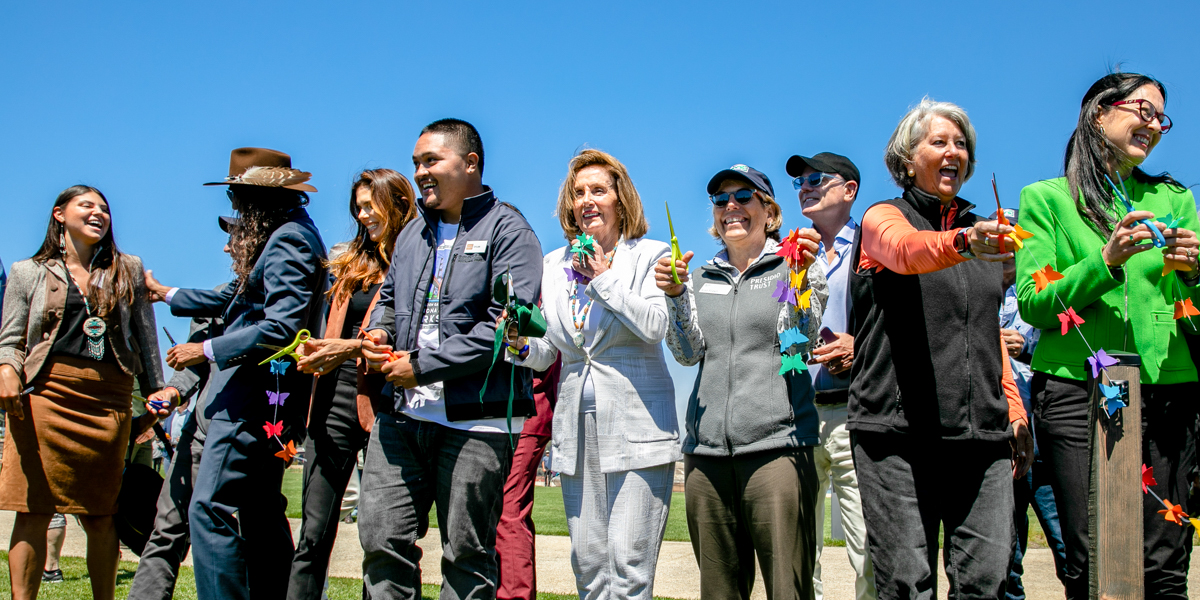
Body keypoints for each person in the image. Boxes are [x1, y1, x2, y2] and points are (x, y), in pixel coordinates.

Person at [1015, 72, 1199, 599]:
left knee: (1164, 557)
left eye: (1161, 118)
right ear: (1100, 113)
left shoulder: (1176, 198)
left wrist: (1196, 271)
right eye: (1143, 110)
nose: (1154, 125)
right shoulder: (1046, 199)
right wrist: (1105, 260)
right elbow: (1033, 301)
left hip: (1169, 386)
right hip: (1076, 390)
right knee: (1090, 555)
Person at [846, 98, 1032, 599]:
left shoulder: (984, 234)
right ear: (907, 158)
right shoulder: (883, 218)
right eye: (940, 142)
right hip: (896, 434)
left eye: (962, 144)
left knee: (986, 582)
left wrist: (1013, 407)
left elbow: (987, 330)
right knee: (908, 583)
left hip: (981, 437)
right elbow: (905, 253)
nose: (955, 151)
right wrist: (965, 242)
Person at [359, 119, 544, 599]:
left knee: (466, 556)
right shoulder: (410, 235)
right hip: (401, 416)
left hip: (476, 424)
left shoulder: (510, 231)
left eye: (431, 161)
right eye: (416, 162)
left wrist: (420, 365)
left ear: (470, 164)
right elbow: (388, 296)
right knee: (382, 541)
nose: (419, 172)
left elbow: (506, 328)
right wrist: (379, 329)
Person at [144, 147, 328, 600]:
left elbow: (283, 326)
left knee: (210, 510)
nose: (234, 209)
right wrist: (166, 294)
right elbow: (233, 295)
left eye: (238, 199)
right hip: (262, 397)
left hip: (251, 395)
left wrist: (203, 348)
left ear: (259, 198)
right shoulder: (286, 236)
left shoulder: (289, 239)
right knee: (259, 509)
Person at [503, 149, 682, 599]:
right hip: (576, 430)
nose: (587, 200)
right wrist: (520, 345)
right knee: (588, 565)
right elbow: (552, 351)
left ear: (620, 200)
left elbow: (656, 326)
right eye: (578, 192)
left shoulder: (649, 255)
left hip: (639, 426)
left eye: (598, 190)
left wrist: (603, 278)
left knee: (629, 567)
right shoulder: (552, 265)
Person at [655, 164, 827, 600]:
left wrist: (801, 278)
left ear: (769, 211)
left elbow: (801, 342)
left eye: (744, 196)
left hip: (778, 451)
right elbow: (687, 352)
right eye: (720, 199)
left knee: (788, 590)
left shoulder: (796, 263)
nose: (730, 206)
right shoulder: (698, 277)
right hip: (707, 457)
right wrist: (675, 298)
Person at [0, 185, 165, 600]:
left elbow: (146, 340)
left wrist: (156, 394)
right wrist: (6, 369)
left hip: (108, 400)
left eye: (104, 208)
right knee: (33, 510)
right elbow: (10, 338)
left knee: (102, 515)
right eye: (86, 206)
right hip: (43, 398)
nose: (98, 213)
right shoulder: (27, 271)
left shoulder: (128, 268)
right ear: (59, 214)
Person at [286, 168, 417, 600]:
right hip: (334, 399)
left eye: (370, 205)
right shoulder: (346, 261)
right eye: (357, 207)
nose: (362, 215)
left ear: (399, 204)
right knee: (313, 531)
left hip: (390, 403)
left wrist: (350, 346)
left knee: (382, 535)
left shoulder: (422, 259)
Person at [128, 217, 234, 600]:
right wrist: (172, 394)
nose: (226, 247)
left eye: (235, 238)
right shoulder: (214, 298)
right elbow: (192, 369)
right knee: (166, 528)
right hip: (198, 432)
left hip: (247, 435)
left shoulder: (283, 299)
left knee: (243, 529)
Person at [787, 151, 877, 600]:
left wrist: (860, 347)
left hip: (855, 414)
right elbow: (782, 332)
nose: (805, 186)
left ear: (849, 190)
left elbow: (905, 324)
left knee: (868, 552)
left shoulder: (874, 246)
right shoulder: (787, 253)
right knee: (801, 552)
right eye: (800, 181)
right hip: (799, 417)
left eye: (816, 178)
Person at [993, 208, 1067, 599]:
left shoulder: (1047, 287)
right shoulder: (979, 293)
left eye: (1015, 242)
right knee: (1007, 554)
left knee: (1070, 545)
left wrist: (1028, 348)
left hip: (1046, 433)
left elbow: (1077, 346)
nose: (1006, 250)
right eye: (999, 242)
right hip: (999, 438)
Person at [495, 360, 559, 600]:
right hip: (510, 405)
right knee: (503, 511)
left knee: (508, 511)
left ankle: (514, 594)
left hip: (526, 404)